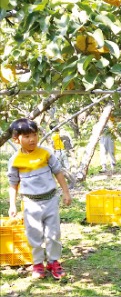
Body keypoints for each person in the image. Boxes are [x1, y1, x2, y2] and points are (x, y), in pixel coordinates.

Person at [7, 119, 72, 280]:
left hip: (50, 200)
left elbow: (58, 172)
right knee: (34, 234)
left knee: (53, 233)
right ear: (17, 139)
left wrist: (66, 192)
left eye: (35, 135)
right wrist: (12, 205)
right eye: (27, 136)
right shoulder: (15, 160)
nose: (32, 139)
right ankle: (37, 264)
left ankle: (53, 262)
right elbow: (13, 184)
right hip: (30, 203)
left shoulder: (46, 153)